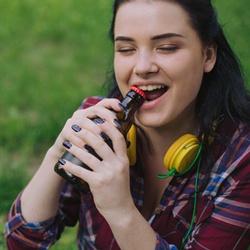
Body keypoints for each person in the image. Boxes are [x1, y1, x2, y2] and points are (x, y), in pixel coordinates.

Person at [4, 0, 250, 249]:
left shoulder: (242, 160)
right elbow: (21, 241)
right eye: (126, 49)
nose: (142, 67)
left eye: (166, 47)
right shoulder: (96, 122)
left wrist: (120, 211)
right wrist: (57, 153)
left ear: (208, 55)